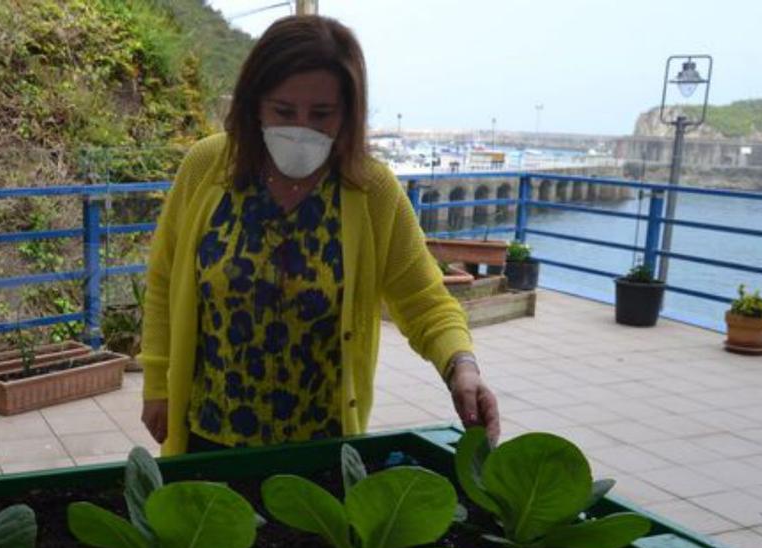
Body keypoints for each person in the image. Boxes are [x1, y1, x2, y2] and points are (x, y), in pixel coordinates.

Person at [139, 15, 499, 456]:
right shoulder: (207, 167)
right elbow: (163, 281)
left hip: (321, 453)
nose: (302, 127)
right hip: (207, 439)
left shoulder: (372, 192)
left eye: (322, 114)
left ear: (348, 113)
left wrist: (462, 366)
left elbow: (424, 300)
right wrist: (157, 382)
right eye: (284, 111)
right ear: (255, 104)